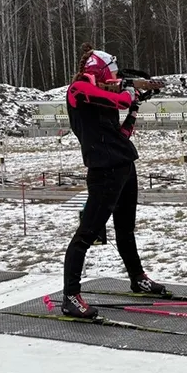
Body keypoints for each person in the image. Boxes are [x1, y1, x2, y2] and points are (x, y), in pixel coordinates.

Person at [61, 42, 167, 318]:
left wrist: (135, 108)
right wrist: (129, 93)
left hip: (123, 165)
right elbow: (119, 99)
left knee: (125, 228)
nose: (114, 78)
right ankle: (70, 295)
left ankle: (137, 278)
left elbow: (119, 136)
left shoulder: (100, 94)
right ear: (100, 72)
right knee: (86, 234)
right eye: (112, 73)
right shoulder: (80, 90)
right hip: (103, 170)